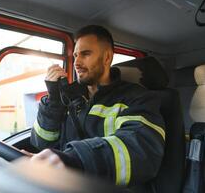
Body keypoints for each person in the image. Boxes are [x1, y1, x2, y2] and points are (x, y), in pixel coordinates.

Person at [29, 25, 165, 190]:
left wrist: (73, 161)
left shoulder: (137, 97)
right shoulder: (70, 97)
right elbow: (41, 142)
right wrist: (54, 100)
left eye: (85, 54)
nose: (77, 63)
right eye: (76, 55)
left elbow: (141, 151)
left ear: (107, 57)